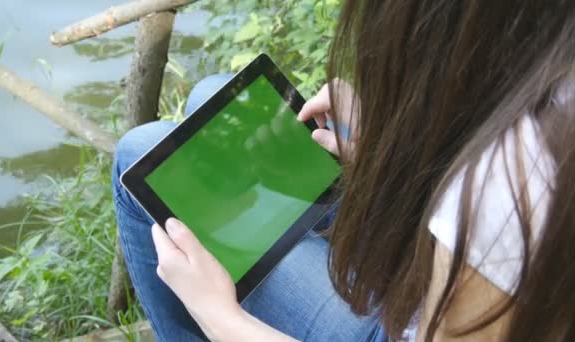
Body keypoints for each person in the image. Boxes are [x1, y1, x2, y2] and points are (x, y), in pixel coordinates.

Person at [112, 0, 575, 340]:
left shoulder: (508, 182)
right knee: (211, 96)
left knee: (139, 154)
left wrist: (219, 316)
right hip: (429, 265)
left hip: (399, 322)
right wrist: (385, 151)